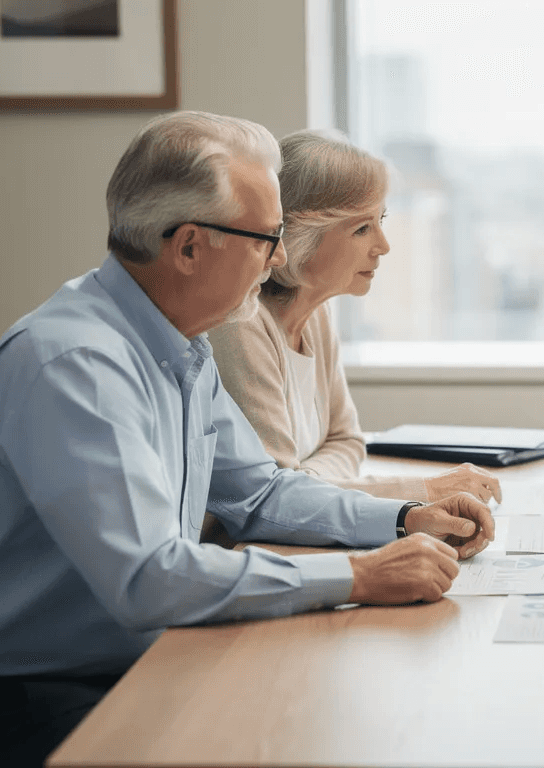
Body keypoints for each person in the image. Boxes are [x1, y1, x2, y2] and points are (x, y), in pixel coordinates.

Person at [0, 111, 493, 766]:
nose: (281, 258)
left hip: (105, 664)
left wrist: (401, 519)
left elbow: (258, 495)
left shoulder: (180, 345)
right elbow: (149, 579)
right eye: (266, 237)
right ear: (191, 247)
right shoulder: (75, 365)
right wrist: (356, 575)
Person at [208, 129, 501, 506]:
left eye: (381, 220)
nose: (383, 245)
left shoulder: (317, 314)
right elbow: (275, 496)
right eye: (362, 228)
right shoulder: (242, 325)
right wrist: (424, 492)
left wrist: (306, 480)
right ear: (298, 237)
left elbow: (346, 441)